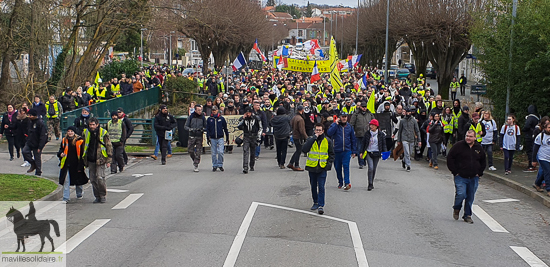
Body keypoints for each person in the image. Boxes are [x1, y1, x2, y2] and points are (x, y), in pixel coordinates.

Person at [447, 130, 486, 224]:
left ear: (475, 138)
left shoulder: (478, 148)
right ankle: (457, 208)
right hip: (461, 176)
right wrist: (455, 172)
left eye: (470, 136)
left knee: (470, 197)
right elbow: (450, 158)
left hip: (473, 177)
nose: (468, 138)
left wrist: (479, 173)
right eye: (467, 136)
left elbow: (483, 161)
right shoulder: (458, 146)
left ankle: (467, 215)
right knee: (461, 194)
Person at [303, 123, 335, 215]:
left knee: (321, 187)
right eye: (317, 130)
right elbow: (304, 149)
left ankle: (321, 205)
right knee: (313, 186)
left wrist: (328, 165)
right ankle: (315, 202)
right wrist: (313, 138)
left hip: (322, 167)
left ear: (323, 131)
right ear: (314, 131)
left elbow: (331, 154)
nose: (318, 132)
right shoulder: (310, 139)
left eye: (320, 130)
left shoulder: (327, 141)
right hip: (312, 167)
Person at [82, 118, 113, 203]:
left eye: (93, 125)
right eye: (90, 125)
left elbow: (108, 145)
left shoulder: (103, 132)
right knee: (92, 179)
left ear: (97, 124)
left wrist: (109, 159)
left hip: (100, 158)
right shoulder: (86, 132)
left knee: (100, 178)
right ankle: (97, 196)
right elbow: (83, 144)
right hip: (90, 159)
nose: (91, 126)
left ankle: (102, 195)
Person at [57, 126, 88, 203]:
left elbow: (83, 153)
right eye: (68, 131)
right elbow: (61, 149)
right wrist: (60, 154)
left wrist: (82, 163)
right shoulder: (64, 140)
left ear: (74, 132)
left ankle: (79, 194)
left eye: (71, 131)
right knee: (66, 181)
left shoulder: (80, 141)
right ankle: (66, 198)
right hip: (67, 164)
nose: (70, 133)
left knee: (78, 180)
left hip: (77, 163)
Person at [327, 113, 356, 190]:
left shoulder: (349, 127)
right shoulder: (335, 126)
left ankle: (347, 182)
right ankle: (340, 181)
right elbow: (329, 133)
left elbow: (353, 139)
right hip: (336, 150)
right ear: (340, 118)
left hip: (347, 150)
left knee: (346, 166)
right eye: (342, 117)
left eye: (345, 117)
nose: (344, 118)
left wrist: (354, 151)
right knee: (337, 167)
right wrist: (335, 124)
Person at [360, 119, 387, 191]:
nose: (371, 126)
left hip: (377, 153)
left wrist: (385, 153)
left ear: (376, 126)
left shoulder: (381, 134)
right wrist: (361, 152)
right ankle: (370, 183)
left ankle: (372, 181)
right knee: (370, 168)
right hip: (369, 152)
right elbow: (363, 143)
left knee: (374, 169)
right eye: (370, 125)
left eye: (373, 125)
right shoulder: (367, 133)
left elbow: (383, 144)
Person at [22, 109, 48, 176]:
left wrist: (40, 146)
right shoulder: (29, 122)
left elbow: (43, 136)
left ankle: (38, 172)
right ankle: (32, 163)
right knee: (25, 151)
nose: (29, 116)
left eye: (30, 115)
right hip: (30, 141)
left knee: (37, 158)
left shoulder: (40, 123)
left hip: (37, 143)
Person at [350, 102, 375, 169]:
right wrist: (352, 132)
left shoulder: (369, 114)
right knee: (359, 148)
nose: (364, 108)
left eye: (365, 107)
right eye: (363, 107)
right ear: (360, 107)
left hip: (368, 134)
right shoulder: (356, 114)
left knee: (367, 148)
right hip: (359, 134)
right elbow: (352, 123)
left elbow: (374, 122)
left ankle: (364, 160)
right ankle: (361, 163)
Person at [237, 107, 262, 174]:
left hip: (254, 136)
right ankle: (245, 167)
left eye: (249, 113)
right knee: (245, 151)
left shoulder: (256, 118)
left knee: (253, 152)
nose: (248, 114)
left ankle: (252, 165)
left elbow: (260, 128)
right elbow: (238, 126)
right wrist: (243, 119)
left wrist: (258, 137)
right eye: (246, 113)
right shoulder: (243, 119)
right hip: (246, 136)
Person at [206, 106, 229, 172]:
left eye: (215, 110)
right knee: (213, 153)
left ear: (217, 110)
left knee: (220, 152)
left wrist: (227, 137)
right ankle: (214, 165)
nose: (214, 111)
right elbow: (208, 129)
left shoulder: (221, 119)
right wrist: (208, 137)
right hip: (213, 138)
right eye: (213, 110)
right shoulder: (209, 119)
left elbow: (225, 128)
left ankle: (220, 164)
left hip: (220, 137)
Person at [184, 105, 206, 172]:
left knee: (198, 151)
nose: (200, 111)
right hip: (192, 136)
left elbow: (206, 126)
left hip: (199, 136)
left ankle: (196, 164)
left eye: (201, 110)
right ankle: (194, 159)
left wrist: (202, 129)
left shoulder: (203, 117)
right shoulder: (190, 117)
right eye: (198, 110)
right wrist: (190, 129)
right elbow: (185, 126)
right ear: (195, 110)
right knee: (190, 150)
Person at [397, 108, 421, 172]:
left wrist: (419, 140)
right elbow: (400, 131)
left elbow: (417, 130)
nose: (408, 114)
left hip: (411, 138)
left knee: (409, 153)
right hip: (404, 138)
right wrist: (399, 140)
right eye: (407, 112)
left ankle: (404, 160)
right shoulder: (402, 121)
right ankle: (408, 165)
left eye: (409, 112)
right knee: (407, 152)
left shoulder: (414, 121)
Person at [532, 121, 550, 196]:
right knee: (548, 172)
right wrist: (534, 160)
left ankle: (537, 183)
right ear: (545, 128)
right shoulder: (540, 136)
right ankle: (549, 189)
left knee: (544, 172)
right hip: (543, 158)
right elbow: (535, 148)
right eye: (549, 128)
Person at [289, 105, 309, 171]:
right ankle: (296, 165)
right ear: (302, 110)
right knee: (299, 151)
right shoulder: (300, 119)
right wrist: (306, 137)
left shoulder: (295, 117)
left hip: (294, 135)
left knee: (297, 150)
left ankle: (291, 163)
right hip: (299, 136)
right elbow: (302, 130)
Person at [523, 105, 539, 172]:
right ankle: (533, 164)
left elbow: (526, 126)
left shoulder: (530, 118)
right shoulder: (538, 118)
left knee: (530, 151)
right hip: (535, 136)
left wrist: (524, 130)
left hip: (529, 136)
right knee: (533, 150)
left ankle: (531, 166)